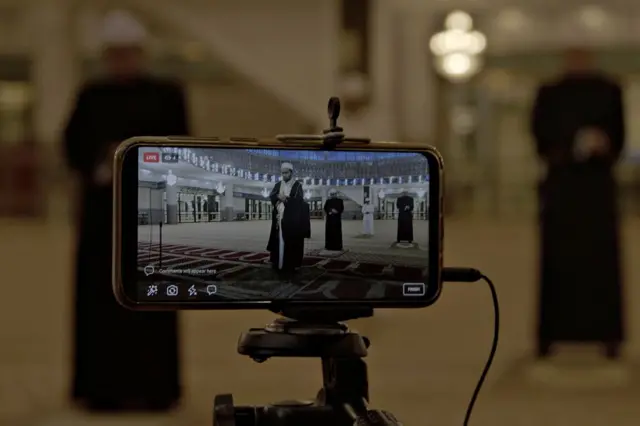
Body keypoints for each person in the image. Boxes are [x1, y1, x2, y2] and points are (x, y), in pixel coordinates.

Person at [63, 10, 189, 411]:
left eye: (128, 54)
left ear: (141, 53)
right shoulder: (91, 96)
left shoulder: (166, 94)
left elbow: (181, 145)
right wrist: (101, 161)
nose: (122, 62)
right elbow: (73, 147)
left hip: (152, 216)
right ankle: (102, 391)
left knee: (151, 298)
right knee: (101, 305)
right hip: (102, 220)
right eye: (114, 55)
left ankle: (155, 389)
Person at [530, 47, 625, 359]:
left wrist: (602, 145)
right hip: (562, 190)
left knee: (601, 265)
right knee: (559, 264)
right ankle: (552, 336)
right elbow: (540, 136)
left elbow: (619, 137)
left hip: (597, 191)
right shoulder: (549, 93)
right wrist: (570, 146)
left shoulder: (610, 91)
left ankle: (606, 335)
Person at [267, 162, 306, 280]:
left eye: (286, 173)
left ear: (291, 173)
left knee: (290, 241)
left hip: (292, 220)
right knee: (278, 240)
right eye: (283, 173)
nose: (284, 175)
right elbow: (272, 195)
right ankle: (277, 262)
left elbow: (300, 202)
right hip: (279, 218)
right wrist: (277, 197)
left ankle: (290, 264)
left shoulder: (297, 185)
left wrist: (287, 199)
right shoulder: (278, 184)